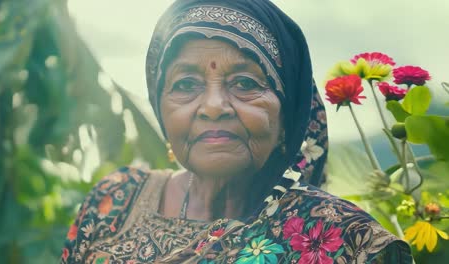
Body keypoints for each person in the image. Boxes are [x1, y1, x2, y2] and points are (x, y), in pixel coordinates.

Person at [60, 0, 413, 263]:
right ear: (160, 105)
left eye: (245, 82)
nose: (213, 106)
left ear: (286, 112)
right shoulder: (114, 201)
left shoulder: (344, 238)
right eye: (185, 84)